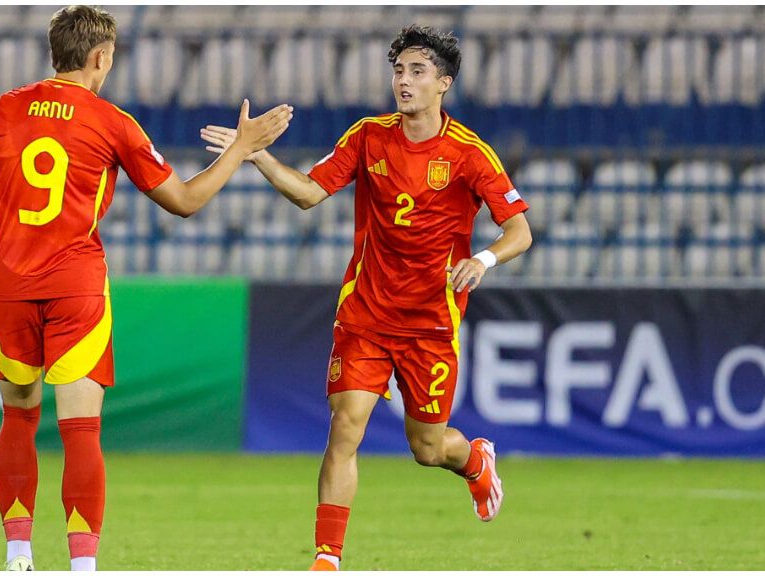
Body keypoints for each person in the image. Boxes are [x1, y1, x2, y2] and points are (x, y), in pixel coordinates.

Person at [0, 6, 292, 571]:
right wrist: (241, 149)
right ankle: (83, 565)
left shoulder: (2, 109)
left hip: (7, 286)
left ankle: (18, 555)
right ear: (101, 57)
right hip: (75, 288)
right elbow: (185, 201)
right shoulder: (111, 122)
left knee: (18, 419)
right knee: (80, 430)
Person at [201, 25, 532, 571]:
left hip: (430, 323)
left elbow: (519, 230)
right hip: (367, 313)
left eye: (418, 71)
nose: (404, 81)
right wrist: (256, 157)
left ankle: (474, 460)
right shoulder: (368, 136)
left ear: (444, 83)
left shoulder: (470, 153)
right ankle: (327, 558)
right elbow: (310, 193)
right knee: (345, 425)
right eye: (399, 70)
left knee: (428, 448)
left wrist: (483, 259)